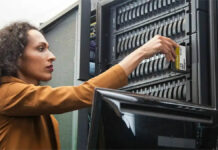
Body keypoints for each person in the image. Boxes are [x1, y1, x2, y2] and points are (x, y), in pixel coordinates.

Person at [0, 22, 178, 149]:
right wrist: (141, 52)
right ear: (15, 56)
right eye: (41, 49)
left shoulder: (41, 114)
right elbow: (81, 94)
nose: (52, 55)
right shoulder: (6, 94)